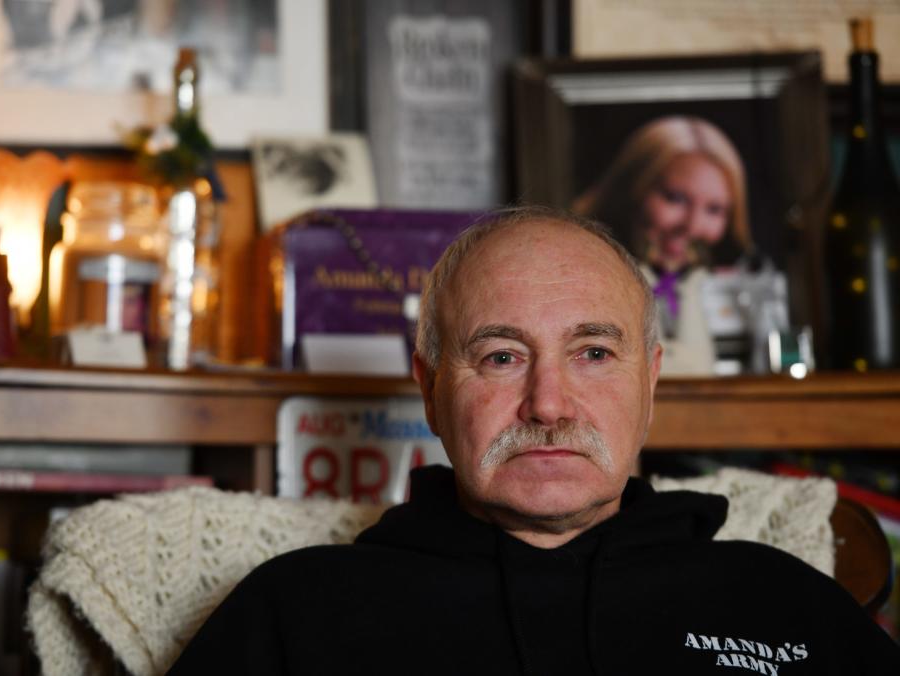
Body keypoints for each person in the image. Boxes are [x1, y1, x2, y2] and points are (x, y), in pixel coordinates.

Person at [168, 207, 900, 675]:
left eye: (593, 353)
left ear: (651, 383)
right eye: (501, 357)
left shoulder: (782, 601)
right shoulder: (296, 613)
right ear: (429, 387)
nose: (548, 405)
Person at [574, 116, 755, 374]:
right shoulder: (590, 282)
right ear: (632, 189)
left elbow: (698, 373)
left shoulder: (705, 284)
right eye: (675, 198)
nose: (692, 226)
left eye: (714, 209)